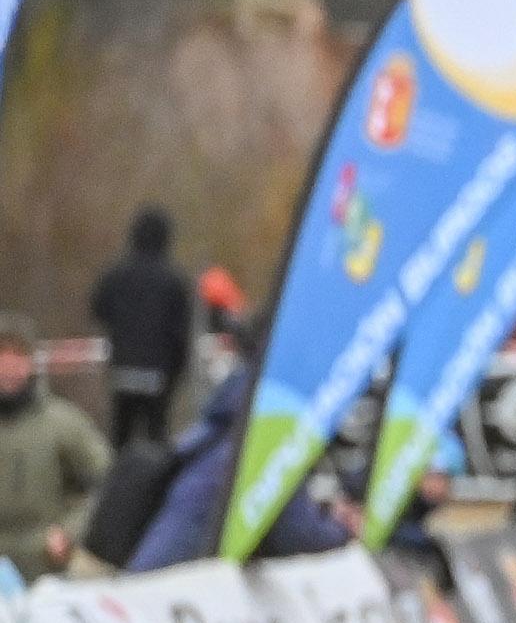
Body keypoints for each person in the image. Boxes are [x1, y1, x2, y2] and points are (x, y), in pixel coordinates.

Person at [123, 367, 355, 572]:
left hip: (157, 578)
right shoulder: (264, 446)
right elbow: (297, 533)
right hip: (179, 584)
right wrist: (345, 530)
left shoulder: (219, 436)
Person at [0, 316, 110, 578]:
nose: (9, 367)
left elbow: (108, 483)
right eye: (2, 356)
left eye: (18, 356)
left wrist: (69, 532)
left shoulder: (62, 422)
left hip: (46, 559)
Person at [88, 209, 196, 452]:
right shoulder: (174, 280)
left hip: (123, 368)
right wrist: (179, 369)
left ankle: (118, 474)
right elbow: (181, 331)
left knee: (120, 436)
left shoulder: (115, 275)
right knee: (157, 437)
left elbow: (98, 309)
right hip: (159, 373)